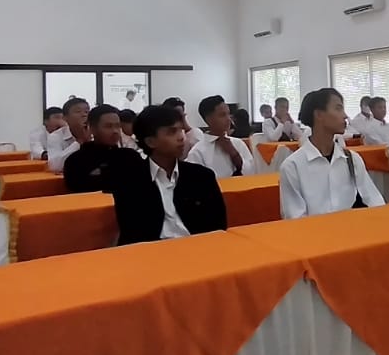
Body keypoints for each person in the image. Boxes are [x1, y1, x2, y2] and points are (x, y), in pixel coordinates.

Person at [111, 104, 227, 245]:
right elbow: (132, 231)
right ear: (150, 141)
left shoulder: (202, 176)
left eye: (181, 130)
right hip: (151, 251)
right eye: (172, 132)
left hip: (198, 248)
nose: (181, 137)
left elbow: (218, 226)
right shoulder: (130, 181)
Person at [279, 88, 385, 218]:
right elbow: (296, 218)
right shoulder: (292, 166)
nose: (345, 115)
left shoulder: (352, 159)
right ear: (319, 114)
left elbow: (374, 201)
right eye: (338, 108)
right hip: (314, 230)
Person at [63, 105, 137, 193]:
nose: (115, 131)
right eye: (108, 126)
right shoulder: (76, 161)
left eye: (117, 126)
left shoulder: (130, 156)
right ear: (92, 129)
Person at [186, 95, 256, 178]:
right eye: (222, 115)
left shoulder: (238, 143)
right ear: (208, 119)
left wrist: (234, 154)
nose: (228, 119)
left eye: (229, 114)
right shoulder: (198, 152)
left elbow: (252, 173)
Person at [48, 96, 91, 173]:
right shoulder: (55, 136)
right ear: (65, 118)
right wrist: (79, 142)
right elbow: (54, 166)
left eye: (87, 111)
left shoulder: (96, 133)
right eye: (78, 111)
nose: (84, 115)